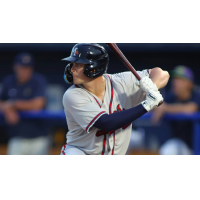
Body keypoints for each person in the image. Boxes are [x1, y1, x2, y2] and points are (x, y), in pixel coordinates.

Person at [60, 43, 169, 155]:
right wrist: (147, 105)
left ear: (93, 67)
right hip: (80, 152)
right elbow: (106, 123)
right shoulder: (72, 95)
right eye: (72, 64)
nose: (72, 69)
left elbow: (162, 73)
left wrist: (152, 86)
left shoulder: (121, 82)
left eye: (78, 65)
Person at [0, 52, 49, 155]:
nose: (24, 71)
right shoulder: (8, 81)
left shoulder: (38, 81)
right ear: (15, 66)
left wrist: (13, 104)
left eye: (28, 68)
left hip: (38, 137)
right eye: (22, 67)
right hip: (17, 137)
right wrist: (6, 108)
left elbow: (38, 105)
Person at [152, 65, 200, 155]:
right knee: (168, 151)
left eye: (180, 79)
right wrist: (157, 106)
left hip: (198, 144)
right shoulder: (171, 97)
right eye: (175, 79)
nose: (175, 82)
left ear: (190, 83)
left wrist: (165, 108)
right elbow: (157, 105)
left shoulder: (197, 95)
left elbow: (191, 108)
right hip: (184, 145)